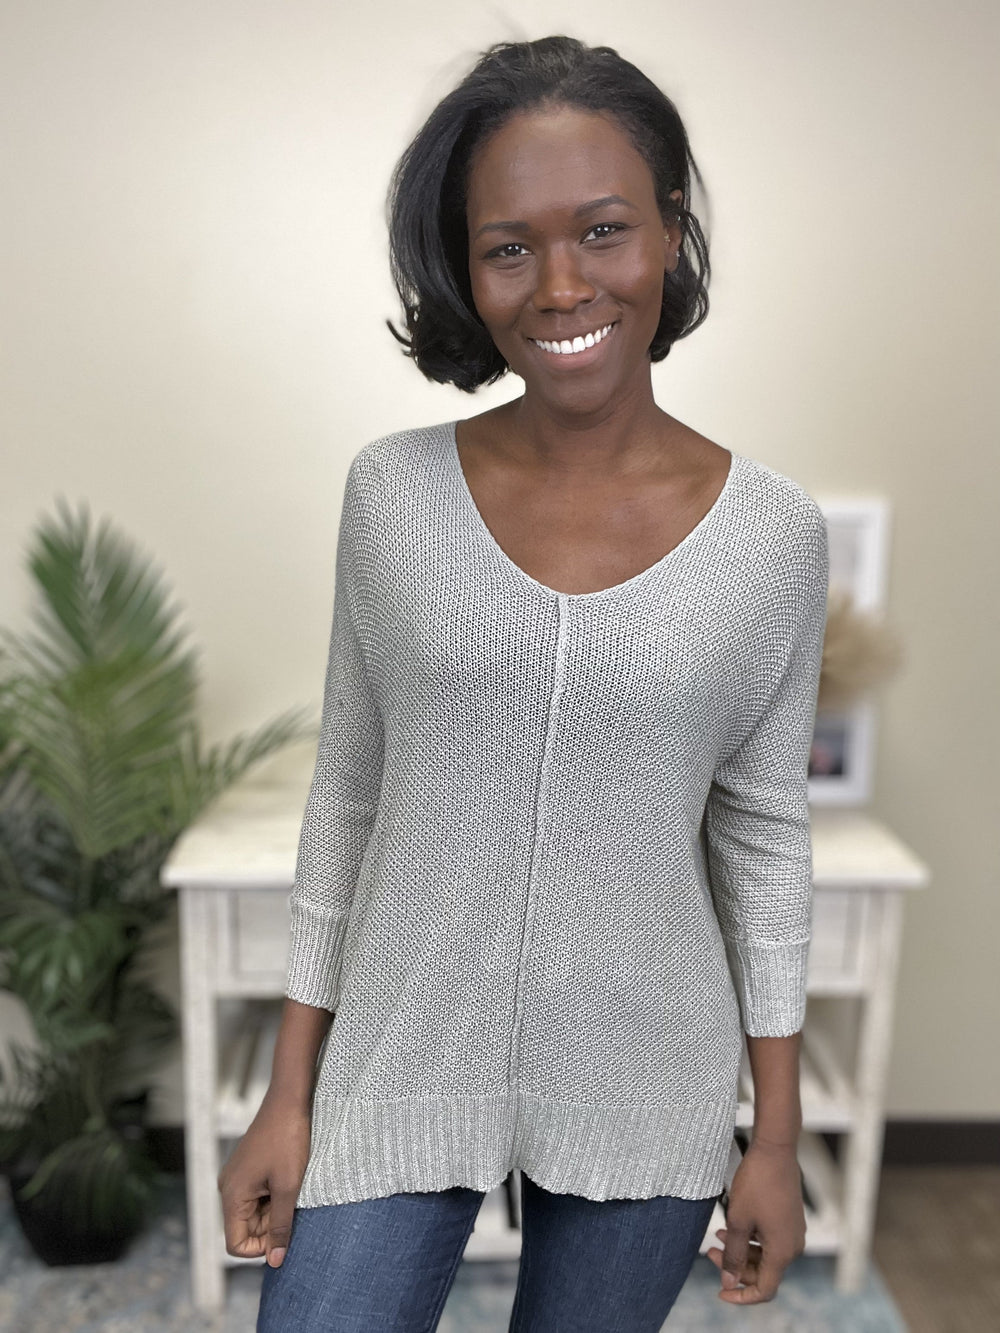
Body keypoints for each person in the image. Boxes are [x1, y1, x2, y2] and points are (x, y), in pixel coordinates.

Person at [218, 34, 829, 1331]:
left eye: (603, 229)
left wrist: (772, 1138)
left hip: (647, 1075)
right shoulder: (393, 496)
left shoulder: (774, 536)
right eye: (509, 247)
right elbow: (349, 795)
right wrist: (287, 1091)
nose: (561, 285)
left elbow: (765, 840)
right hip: (400, 1053)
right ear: (467, 268)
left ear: (671, 231)